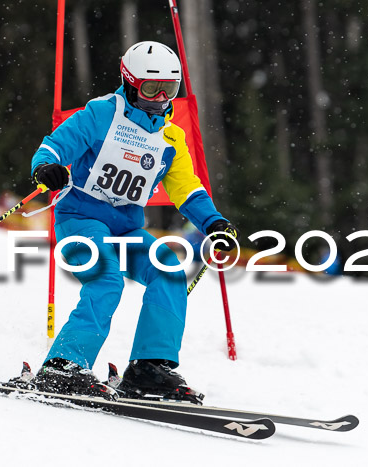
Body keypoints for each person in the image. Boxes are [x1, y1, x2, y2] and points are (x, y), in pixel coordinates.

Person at [27, 41, 238, 402]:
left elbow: (187, 189)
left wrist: (214, 223)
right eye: (151, 89)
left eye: (168, 90)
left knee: (169, 269)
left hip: (126, 229)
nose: (160, 99)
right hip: (81, 219)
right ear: (129, 82)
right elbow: (54, 145)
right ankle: (63, 366)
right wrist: (46, 168)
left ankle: (149, 368)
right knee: (106, 279)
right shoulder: (102, 114)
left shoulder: (171, 137)